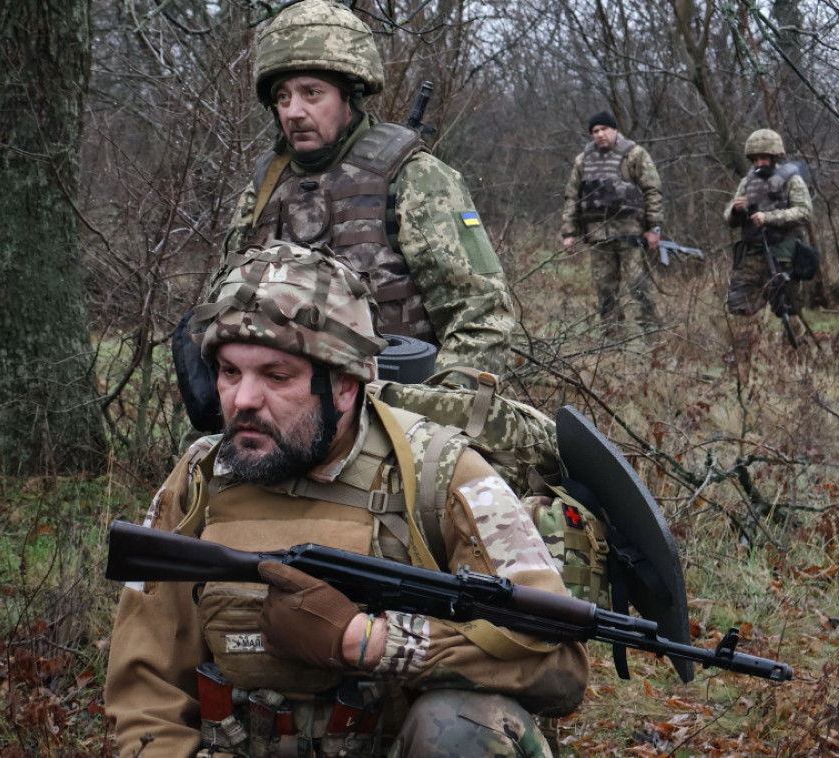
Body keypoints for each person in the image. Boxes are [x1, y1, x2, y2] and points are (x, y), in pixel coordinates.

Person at [105, 243, 589, 758]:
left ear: (345, 386)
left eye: (276, 376)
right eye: (229, 373)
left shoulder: (439, 475)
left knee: (463, 725)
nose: (243, 400)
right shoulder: (201, 479)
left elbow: (558, 666)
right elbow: (146, 692)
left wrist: (367, 642)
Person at [217, 0, 516, 376]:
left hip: (391, 415)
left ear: (349, 97)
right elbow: (222, 309)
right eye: (282, 96)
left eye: (312, 92)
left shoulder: (414, 179)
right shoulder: (263, 188)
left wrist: (432, 415)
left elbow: (481, 319)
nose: (293, 111)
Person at [561, 110, 664, 332]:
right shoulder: (583, 160)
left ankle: (653, 335)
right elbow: (572, 197)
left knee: (639, 285)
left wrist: (653, 227)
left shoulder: (635, 155)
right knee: (605, 289)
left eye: (604, 129)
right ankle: (612, 337)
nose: (599, 134)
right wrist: (569, 233)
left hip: (631, 234)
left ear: (614, 129)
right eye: (595, 131)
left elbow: (652, 191)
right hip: (598, 236)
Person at [723, 128, 812, 320]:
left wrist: (769, 217)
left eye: (763, 157)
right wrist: (735, 210)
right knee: (740, 309)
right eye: (755, 159)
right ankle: (744, 349)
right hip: (752, 253)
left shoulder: (792, 181)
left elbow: (805, 212)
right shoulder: (747, 182)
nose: (759, 163)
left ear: (775, 156)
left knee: (789, 311)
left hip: (784, 253)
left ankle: (793, 349)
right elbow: (729, 219)